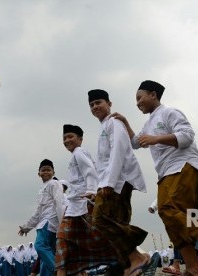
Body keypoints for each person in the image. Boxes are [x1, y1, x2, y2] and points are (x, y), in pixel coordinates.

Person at [112, 80, 198, 276]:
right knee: (189, 215)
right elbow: (135, 142)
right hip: (166, 174)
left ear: (153, 94)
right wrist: (125, 122)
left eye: (139, 98)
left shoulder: (169, 113)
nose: (137, 103)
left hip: (183, 166)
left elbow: (187, 135)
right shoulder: (148, 123)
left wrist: (156, 139)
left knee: (168, 210)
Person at [87, 89, 160, 276]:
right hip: (110, 182)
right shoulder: (104, 126)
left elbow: (119, 151)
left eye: (99, 102)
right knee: (116, 222)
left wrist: (109, 184)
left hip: (118, 181)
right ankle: (127, 265)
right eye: (92, 104)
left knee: (100, 221)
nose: (95, 106)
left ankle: (139, 258)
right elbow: (103, 162)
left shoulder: (113, 122)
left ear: (109, 103)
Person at [55, 124, 121, 276]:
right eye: (64, 138)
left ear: (80, 139)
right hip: (74, 206)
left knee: (99, 237)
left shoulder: (79, 152)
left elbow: (90, 171)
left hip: (84, 204)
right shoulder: (75, 155)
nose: (66, 140)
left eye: (70, 136)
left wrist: (92, 190)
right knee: (63, 239)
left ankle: (131, 259)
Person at [18, 159, 65, 276]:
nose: (46, 172)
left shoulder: (54, 184)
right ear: (38, 173)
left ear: (54, 172)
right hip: (46, 223)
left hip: (49, 223)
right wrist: (26, 227)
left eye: (49, 170)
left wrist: (62, 223)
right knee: (47, 254)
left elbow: (60, 203)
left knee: (40, 246)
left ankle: (58, 270)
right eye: (43, 170)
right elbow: (38, 212)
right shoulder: (42, 188)